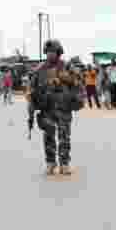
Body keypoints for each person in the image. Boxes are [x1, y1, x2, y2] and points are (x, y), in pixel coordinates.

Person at [27, 39, 83, 176]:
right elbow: (31, 89)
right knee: (48, 137)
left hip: (64, 107)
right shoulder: (39, 69)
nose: (50, 55)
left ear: (59, 53)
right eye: (48, 52)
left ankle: (64, 164)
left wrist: (67, 79)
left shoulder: (68, 67)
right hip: (47, 108)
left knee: (64, 137)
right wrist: (31, 103)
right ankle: (50, 163)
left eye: (53, 52)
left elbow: (79, 82)